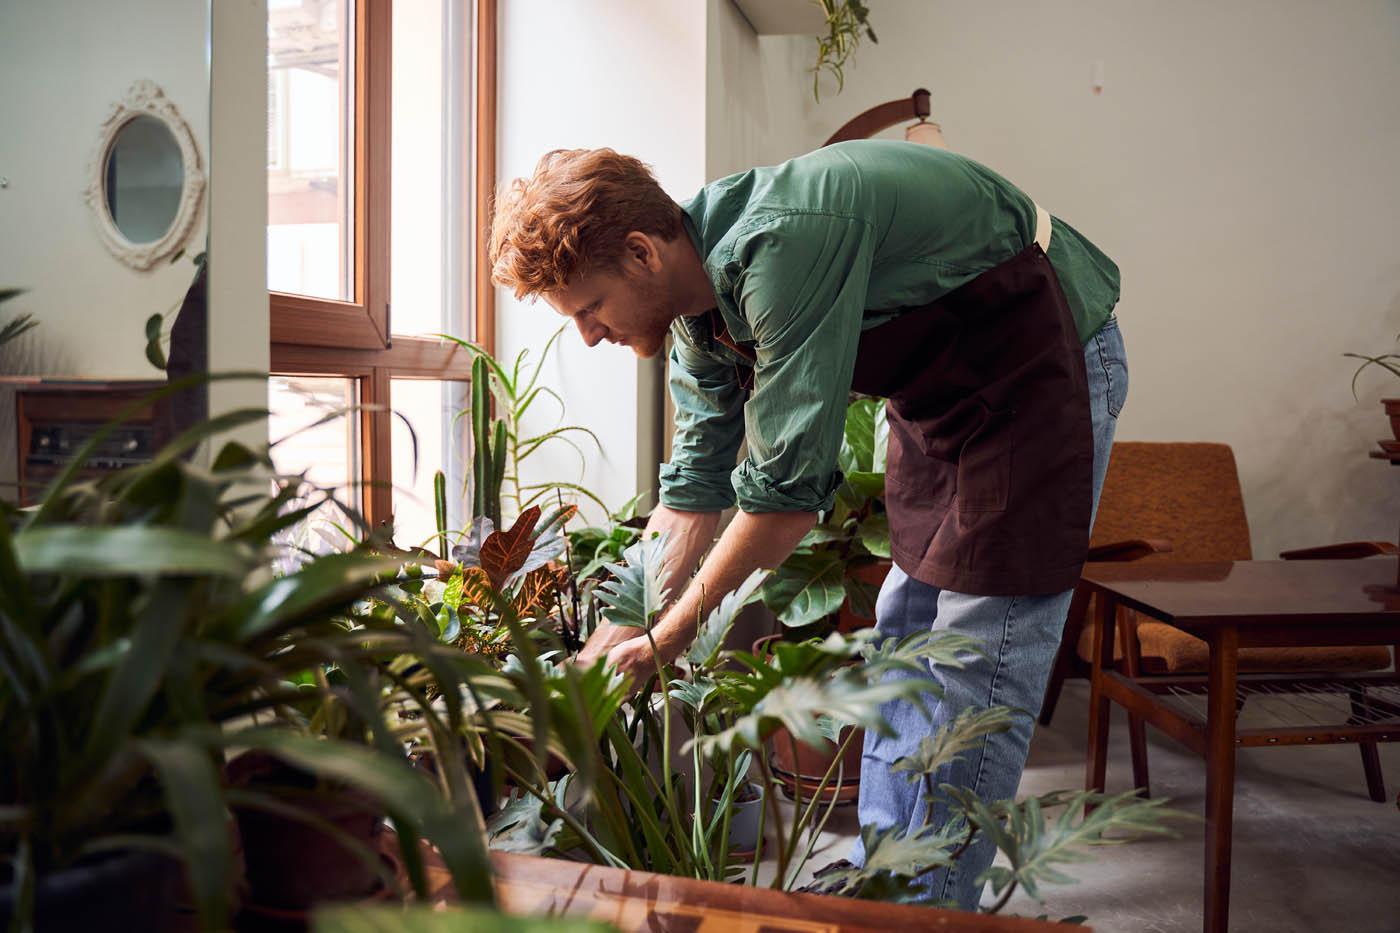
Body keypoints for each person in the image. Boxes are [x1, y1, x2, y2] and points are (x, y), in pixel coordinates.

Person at [488, 139, 1128, 910]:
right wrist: (618, 628)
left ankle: (926, 909)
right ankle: (883, 876)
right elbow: (692, 490)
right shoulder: (696, 319)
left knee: (976, 656)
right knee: (905, 628)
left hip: (1042, 361)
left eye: (590, 308)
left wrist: (672, 636)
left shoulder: (780, 246)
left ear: (640, 252)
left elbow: (786, 501)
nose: (589, 334)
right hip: (945, 400)